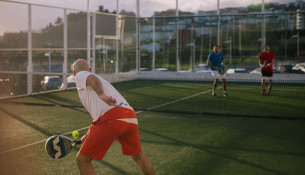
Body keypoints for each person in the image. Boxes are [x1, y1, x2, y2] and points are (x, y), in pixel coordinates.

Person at [72, 59, 154, 175]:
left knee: (82, 160)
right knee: (138, 156)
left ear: (74, 73)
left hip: (112, 118)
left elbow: (92, 79)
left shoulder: (81, 75)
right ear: (90, 69)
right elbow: (99, 117)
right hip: (129, 115)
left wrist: (101, 94)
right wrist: (87, 135)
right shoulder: (98, 81)